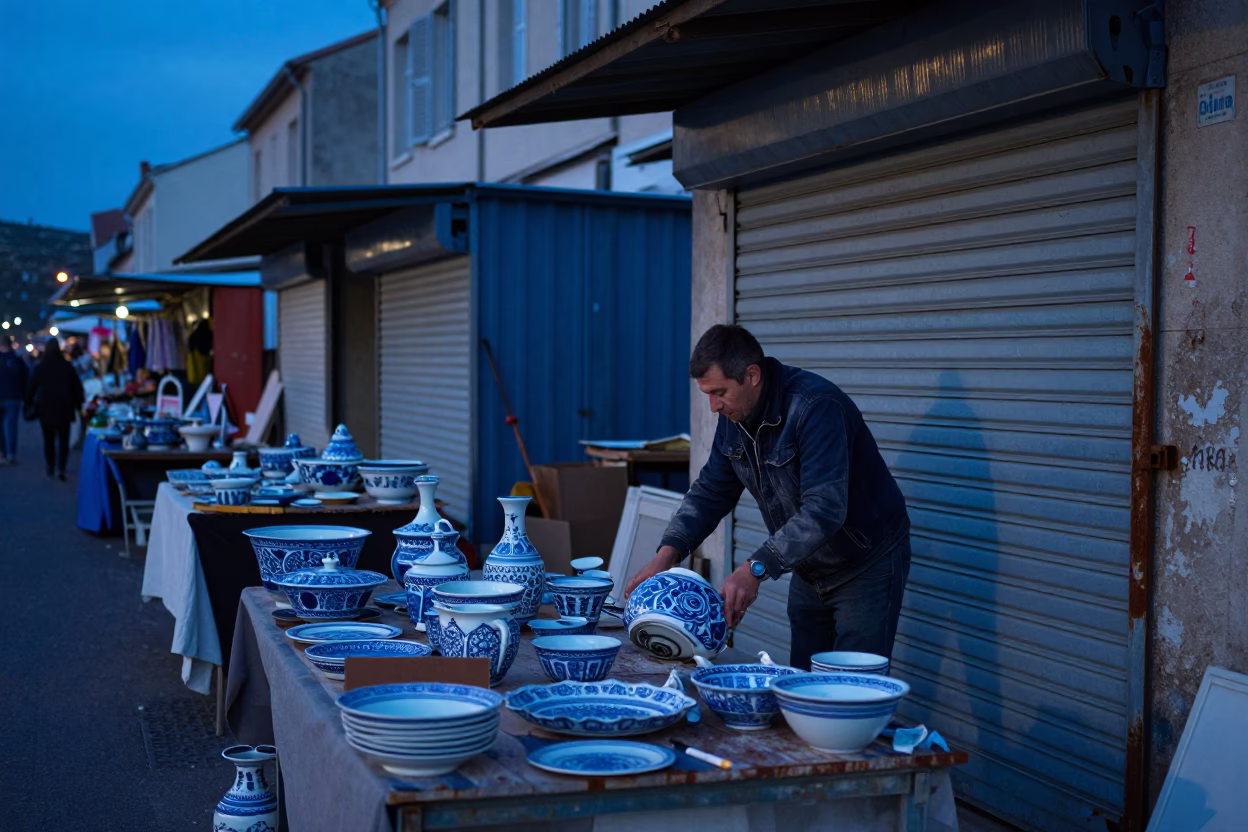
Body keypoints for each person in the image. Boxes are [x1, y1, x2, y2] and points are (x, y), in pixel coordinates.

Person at [623, 324, 912, 669]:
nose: (713, 407)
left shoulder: (815, 407)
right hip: (810, 565)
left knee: (853, 687)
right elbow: (711, 491)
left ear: (752, 375)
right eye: (707, 395)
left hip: (866, 564)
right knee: (802, 682)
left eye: (719, 392)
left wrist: (755, 568)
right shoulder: (734, 415)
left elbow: (824, 509)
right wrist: (667, 554)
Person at [25, 337, 85, 480]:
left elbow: (31, 388)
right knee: (64, 440)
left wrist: (28, 404)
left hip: (46, 408)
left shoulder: (40, 367)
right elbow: (77, 389)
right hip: (64, 408)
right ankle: (61, 467)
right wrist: (79, 405)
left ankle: (50, 465)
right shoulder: (67, 367)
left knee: (48, 439)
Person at [0, 335, 30, 464]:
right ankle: (11, 454)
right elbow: (26, 378)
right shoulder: (17, 360)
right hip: (14, 397)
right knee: (11, 427)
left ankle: (1, 453)